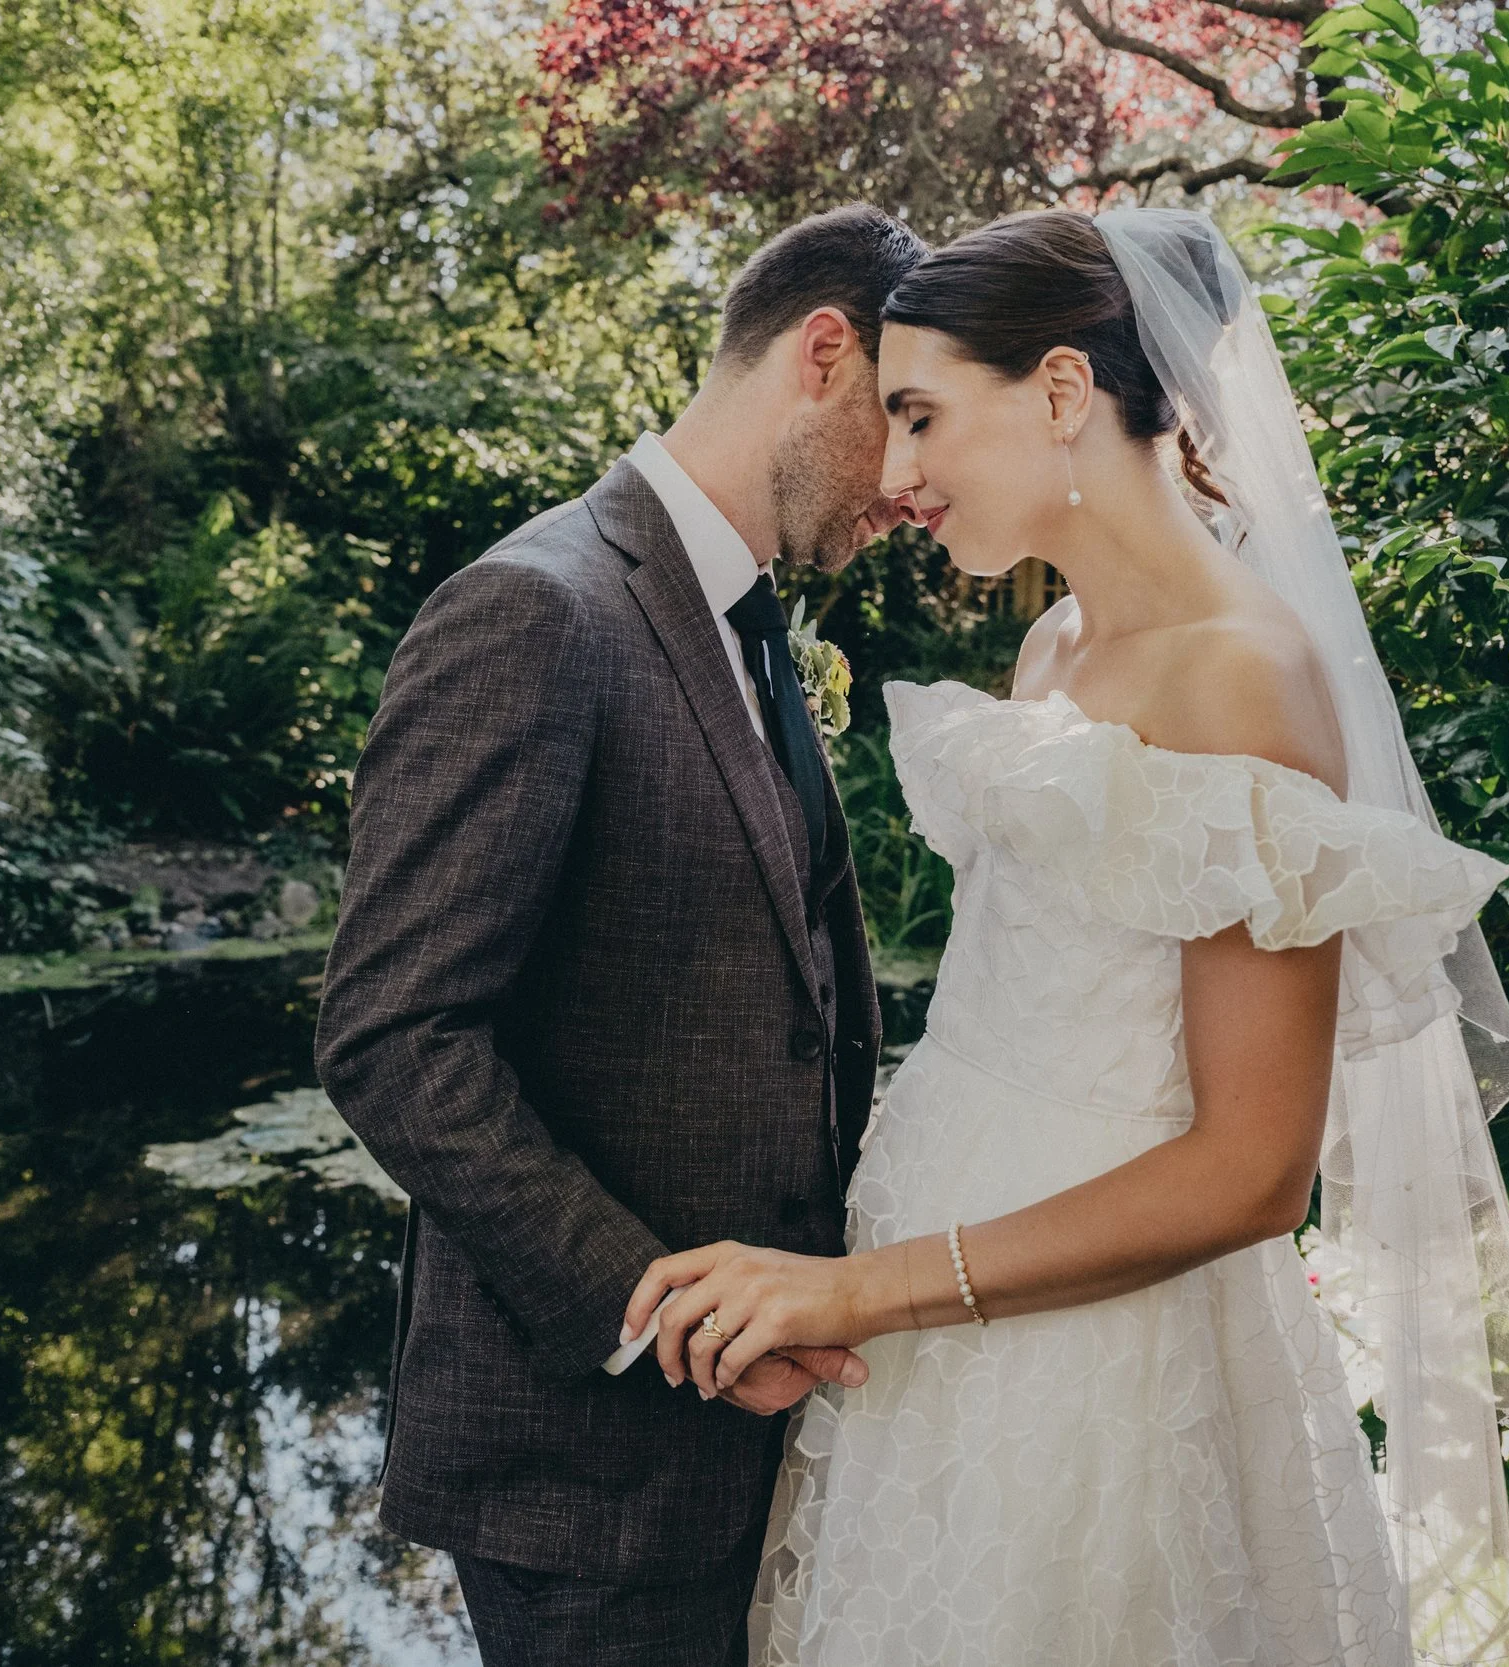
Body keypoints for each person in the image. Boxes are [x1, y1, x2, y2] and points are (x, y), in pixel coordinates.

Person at [619, 209, 1509, 1667]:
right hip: (929, 1336)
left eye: (925, 416)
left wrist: (858, 1286)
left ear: (1063, 393)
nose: (898, 471)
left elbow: (1253, 1171)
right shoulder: (1055, 641)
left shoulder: (1243, 677)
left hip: (1100, 1359)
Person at [314, 204, 927, 1667]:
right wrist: (669, 1324)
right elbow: (394, 1039)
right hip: (592, 1487)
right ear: (822, 355)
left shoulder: (747, 622)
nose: (912, 481)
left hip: (763, 1458)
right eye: (900, 418)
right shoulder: (537, 609)